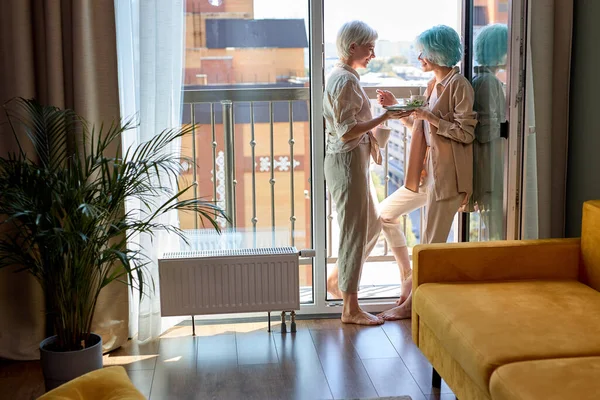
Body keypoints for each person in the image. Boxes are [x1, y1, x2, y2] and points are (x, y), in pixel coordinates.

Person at [376, 25, 478, 320]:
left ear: (436, 53)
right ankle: (408, 281)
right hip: (424, 173)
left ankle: (410, 305)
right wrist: (398, 108)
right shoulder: (433, 85)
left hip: (446, 177)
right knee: (384, 214)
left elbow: (465, 133)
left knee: (431, 246)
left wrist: (429, 117)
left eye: (423, 52)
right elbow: (421, 127)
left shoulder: (459, 85)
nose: (419, 57)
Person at [323, 20, 409, 326]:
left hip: (351, 163)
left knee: (371, 226)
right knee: (354, 232)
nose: (373, 53)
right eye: (369, 47)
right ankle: (350, 307)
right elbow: (346, 132)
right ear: (352, 47)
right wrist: (385, 116)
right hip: (347, 164)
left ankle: (338, 281)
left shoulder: (345, 76)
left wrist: (377, 118)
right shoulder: (344, 81)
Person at [471, 23, 508, 241]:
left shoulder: (480, 79)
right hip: (489, 165)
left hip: (486, 164)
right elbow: (485, 131)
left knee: (494, 228)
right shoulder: (488, 82)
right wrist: (509, 127)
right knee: (497, 230)